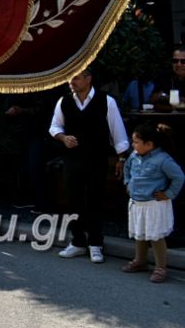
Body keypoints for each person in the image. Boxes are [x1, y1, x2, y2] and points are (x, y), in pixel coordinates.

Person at [50, 68, 130, 263]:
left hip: (97, 159)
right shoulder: (64, 101)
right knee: (73, 200)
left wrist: (121, 159)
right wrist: (63, 138)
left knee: (95, 199)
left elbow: (118, 133)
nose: (72, 81)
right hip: (72, 159)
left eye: (75, 77)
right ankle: (77, 242)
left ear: (88, 79)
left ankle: (95, 243)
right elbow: (55, 126)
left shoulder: (106, 102)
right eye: (70, 77)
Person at [121, 123, 184, 282]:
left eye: (136, 142)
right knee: (140, 234)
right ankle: (140, 261)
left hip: (154, 204)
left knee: (155, 236)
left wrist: (169, 194)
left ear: (149, 144)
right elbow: (127, 169)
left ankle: (161, 267)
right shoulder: (134, 156)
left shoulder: (162, 160)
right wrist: (128, 183)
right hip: (138, 203)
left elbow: (179, 177)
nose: (133, 145)